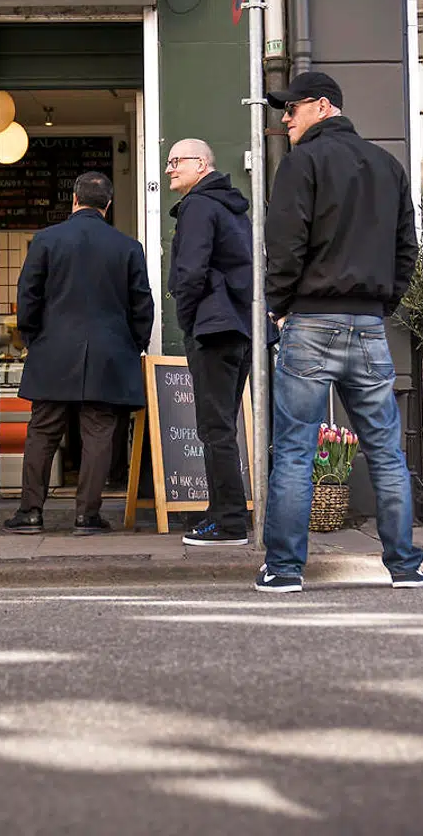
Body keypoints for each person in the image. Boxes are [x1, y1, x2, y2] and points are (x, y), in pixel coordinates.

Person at [260, 71, 423, 593]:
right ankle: (405, 567)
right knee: (386, 451)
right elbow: (406, 251)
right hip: (369, 324)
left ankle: (285, 570)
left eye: (292, 108)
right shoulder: (388, 166)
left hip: (310, 320)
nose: (285, 118)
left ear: (323, 106)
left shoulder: (301, 163)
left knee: (293, 451)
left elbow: (284, 246)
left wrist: (280, 307)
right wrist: (380, 305)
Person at [5, 171, 154, 536]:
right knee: (99, 433)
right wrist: (132, 344)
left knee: (42, 432)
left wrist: (32, 337)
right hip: (109, 353)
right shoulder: (128, 247)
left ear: (74, 199)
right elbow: (142, 306)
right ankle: (87, 516)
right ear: (108, 204)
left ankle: (30, 512)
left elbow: (28, 297)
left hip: (53, 349)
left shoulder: (45, 240)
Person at [166, 139, 255, 546]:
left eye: (176, 161)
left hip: (213, 328)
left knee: (214, 427)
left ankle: (231, 522)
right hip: (239, 327)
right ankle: (219, 511)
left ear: (201, 164)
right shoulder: (233, 208)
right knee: (222, 424)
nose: (169, 168)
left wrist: (187, 319)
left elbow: (190, 272)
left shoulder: (199, 206)